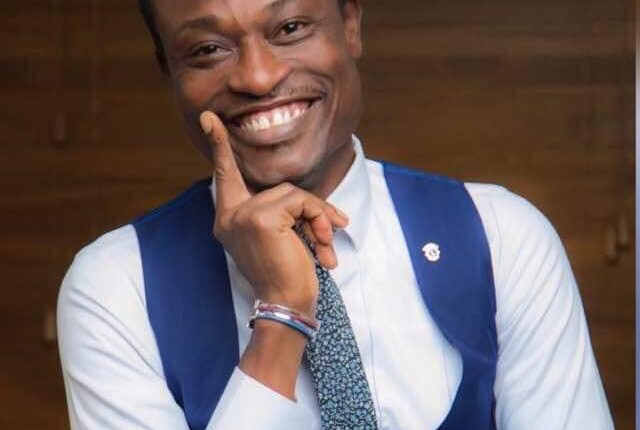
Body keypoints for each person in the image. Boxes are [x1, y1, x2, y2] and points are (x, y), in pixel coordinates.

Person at [57, 0, 614, 429]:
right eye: (207, 50)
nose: (257, 77)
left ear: (350, 25)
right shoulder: (117, 287)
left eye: (290, 28)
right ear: (170, 73)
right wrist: (281, 317)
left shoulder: (499, 237)